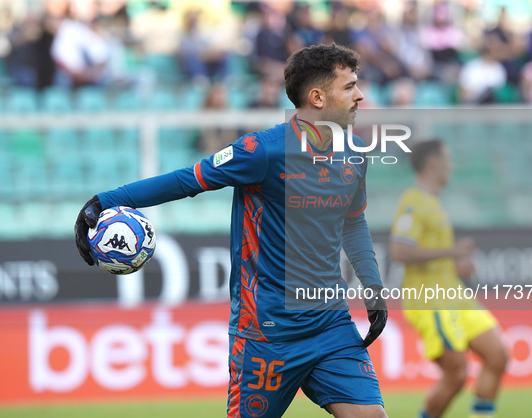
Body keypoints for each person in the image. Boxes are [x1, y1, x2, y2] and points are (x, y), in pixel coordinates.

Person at [75, 43, 388, 418]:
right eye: (349, 86)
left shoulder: (354, 151)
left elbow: (352, 223)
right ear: (318, 97)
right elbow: (185, 180)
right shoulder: (263, 151)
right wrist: (104, 201)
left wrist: (372, 287)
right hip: (267, 333)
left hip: (331, 324)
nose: (360, 95)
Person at [389, 140, 508, 418]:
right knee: (456, 375)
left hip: (454, 294)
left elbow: (429, 254)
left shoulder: (432, 202)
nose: (451, 166)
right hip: (431, 301)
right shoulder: (413, 201)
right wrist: (452, 251)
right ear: (433, 163)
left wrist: (455, 264)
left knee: (497, 355)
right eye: (448, 159)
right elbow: (399, 250)